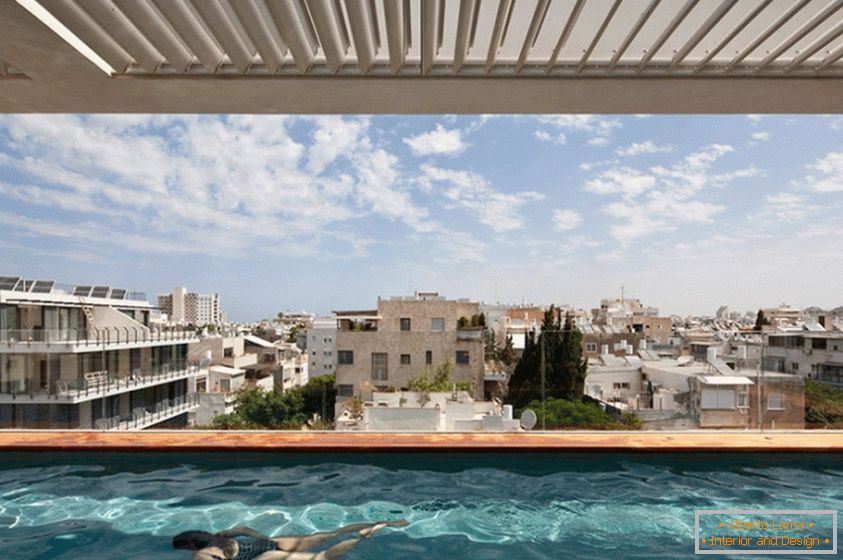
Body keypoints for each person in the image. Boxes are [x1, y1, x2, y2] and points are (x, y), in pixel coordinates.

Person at [173, 519, 408, 560]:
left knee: (322, 558)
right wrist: (264, 538)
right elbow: (244, 528)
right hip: (266, 544)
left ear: (191, 545)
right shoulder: (221, 535)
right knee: (332, 534)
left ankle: (361, 538)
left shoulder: (201, 554)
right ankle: (384, 523)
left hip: (261, 556)